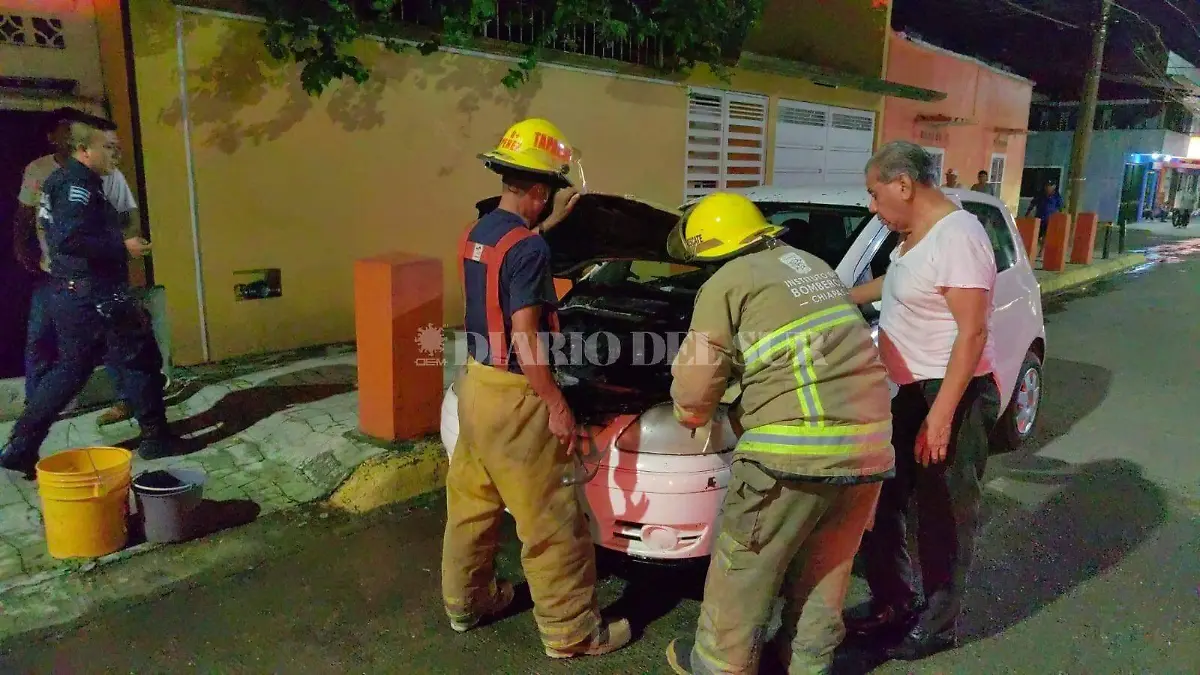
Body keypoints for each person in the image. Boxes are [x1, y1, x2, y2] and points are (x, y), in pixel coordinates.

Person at [661, 192, 895, 674]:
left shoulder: (728, 282)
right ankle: (805, 664)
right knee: (827, 569)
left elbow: (697, 381)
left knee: (744, 566)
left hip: (792, 452)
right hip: (869, 447)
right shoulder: (811, 266)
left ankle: (719, 667)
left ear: (713, 251)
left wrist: (691, 414)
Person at [440, 118, 631, 659]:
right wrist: (555, 403)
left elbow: (510, 264)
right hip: (515, 398)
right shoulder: (528, 251)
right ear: (542, 191)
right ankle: (573, 633)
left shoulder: (479, 233)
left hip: (475, 384)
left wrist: (550, 228)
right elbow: (525, 335)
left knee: (472, 505)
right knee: (550, 519)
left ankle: (466, 604)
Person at [844, 140, 1002, 661]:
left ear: (904, 184)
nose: (872, 206)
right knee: (883, 499)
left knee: (942, 516)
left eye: (875, 193)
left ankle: (938, 624)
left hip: (950, 392)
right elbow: (900, 282)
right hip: (909, 391)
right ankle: (894, 600)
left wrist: (941, 416)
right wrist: (839, 297)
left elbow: (972, 333)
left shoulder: (959, 236)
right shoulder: (915, 236)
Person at [0, 117, 175, 480]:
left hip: (73, 292)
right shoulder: (76, 186)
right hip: (96, 293)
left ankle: (21, 446)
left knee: (70, 369)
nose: (116, 154)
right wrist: (122, 246)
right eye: (108, 147)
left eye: (117, 147)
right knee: (140, 358)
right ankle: (156, 439)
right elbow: (69, 239)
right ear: (83, 150)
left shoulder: (64, 180)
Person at [13, 107, 144, 427]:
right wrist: (21, 247)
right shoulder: (41, 171)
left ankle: (128, 401)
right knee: (42, 340)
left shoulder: (108, 174)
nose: (70, 133)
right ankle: (36, 408)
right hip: (53, 273)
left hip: (98, 278)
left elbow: (127, 216)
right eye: (64, 129)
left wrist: (121, 252)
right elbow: (27, 215)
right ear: (53, 137)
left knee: (114, 341)